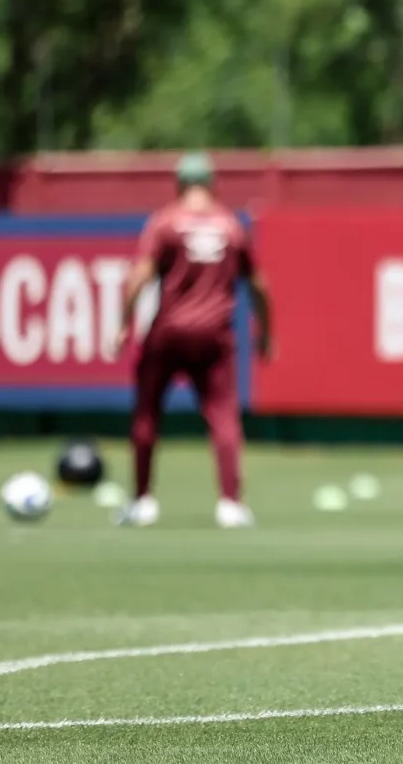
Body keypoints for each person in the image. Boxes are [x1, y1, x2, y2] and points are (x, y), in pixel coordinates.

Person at [111, 152, 272, 530]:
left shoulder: (165, 222)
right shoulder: (232, 227)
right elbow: (261, 285)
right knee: (223, 417)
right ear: (212, 183)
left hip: (167, 332)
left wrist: (123, 322)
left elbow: (139, 276)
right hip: (215, 335)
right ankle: (230, 503)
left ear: (179, 184)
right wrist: (267, 332)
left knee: (147, 412)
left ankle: (142, 501)